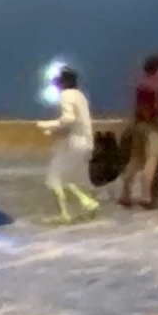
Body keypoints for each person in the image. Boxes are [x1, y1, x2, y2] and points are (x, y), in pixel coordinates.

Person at [39, 68, 101, 223]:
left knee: (55, 178)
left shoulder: (66, 95)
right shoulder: (79, 95)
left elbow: (69, 118)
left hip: (74, 143)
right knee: (67, 179)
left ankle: (65, 214)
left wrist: (49, 125)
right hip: (84, 142)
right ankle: (87, 202)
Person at [122, 54, 158, 210]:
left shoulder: (141, 83)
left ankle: (125, 194)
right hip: (152, 127)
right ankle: (146, 197)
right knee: (151, 160)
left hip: (137, 125)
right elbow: (157, 108)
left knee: (135, 160)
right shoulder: (157, 85)